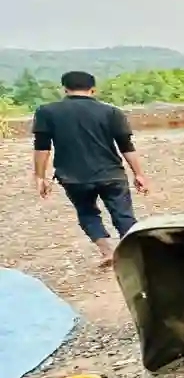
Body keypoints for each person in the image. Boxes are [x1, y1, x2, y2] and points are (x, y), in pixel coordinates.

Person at [32, 71, 149, 266]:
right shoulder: (111, 112)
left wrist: (40, 177)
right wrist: (139, 174)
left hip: (73, 177)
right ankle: (134, 254)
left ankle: (106, 251)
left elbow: (42, 147)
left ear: (65, 89)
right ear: (93, 89)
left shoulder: (46, 112)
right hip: (111, 173)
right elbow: (126, 146)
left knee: (87, 213)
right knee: (123, 213)